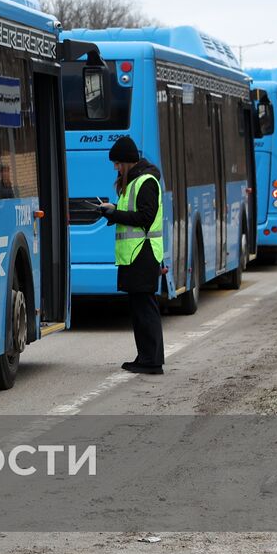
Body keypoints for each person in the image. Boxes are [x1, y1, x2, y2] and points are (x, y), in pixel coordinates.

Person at [95, 136, 165, 375]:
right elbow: (132, 216)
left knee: (145, 309)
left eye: (117, 163)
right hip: (135, 256)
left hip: (143, 254)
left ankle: (152, 361)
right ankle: (146, 357)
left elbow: (145, 218)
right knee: (139, 309)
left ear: (127, 161)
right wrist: (111, 214)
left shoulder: (146, 182)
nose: (115, 168)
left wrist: (116, 214)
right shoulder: (133, 182)